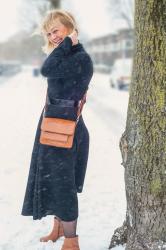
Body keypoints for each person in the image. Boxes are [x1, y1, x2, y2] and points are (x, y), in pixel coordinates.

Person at [21, 9, 93, 250]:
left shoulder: (80, 58)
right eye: (49, 33)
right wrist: (63, 46)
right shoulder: (64, 56)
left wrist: (67, 44)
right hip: (51, 125)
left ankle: (72, 240)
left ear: (70, 28)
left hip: (66, 129)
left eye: (56, 30)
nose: (53, 36)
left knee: (63, 184)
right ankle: (59, 228)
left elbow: (46, 70)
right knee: (52, 180)